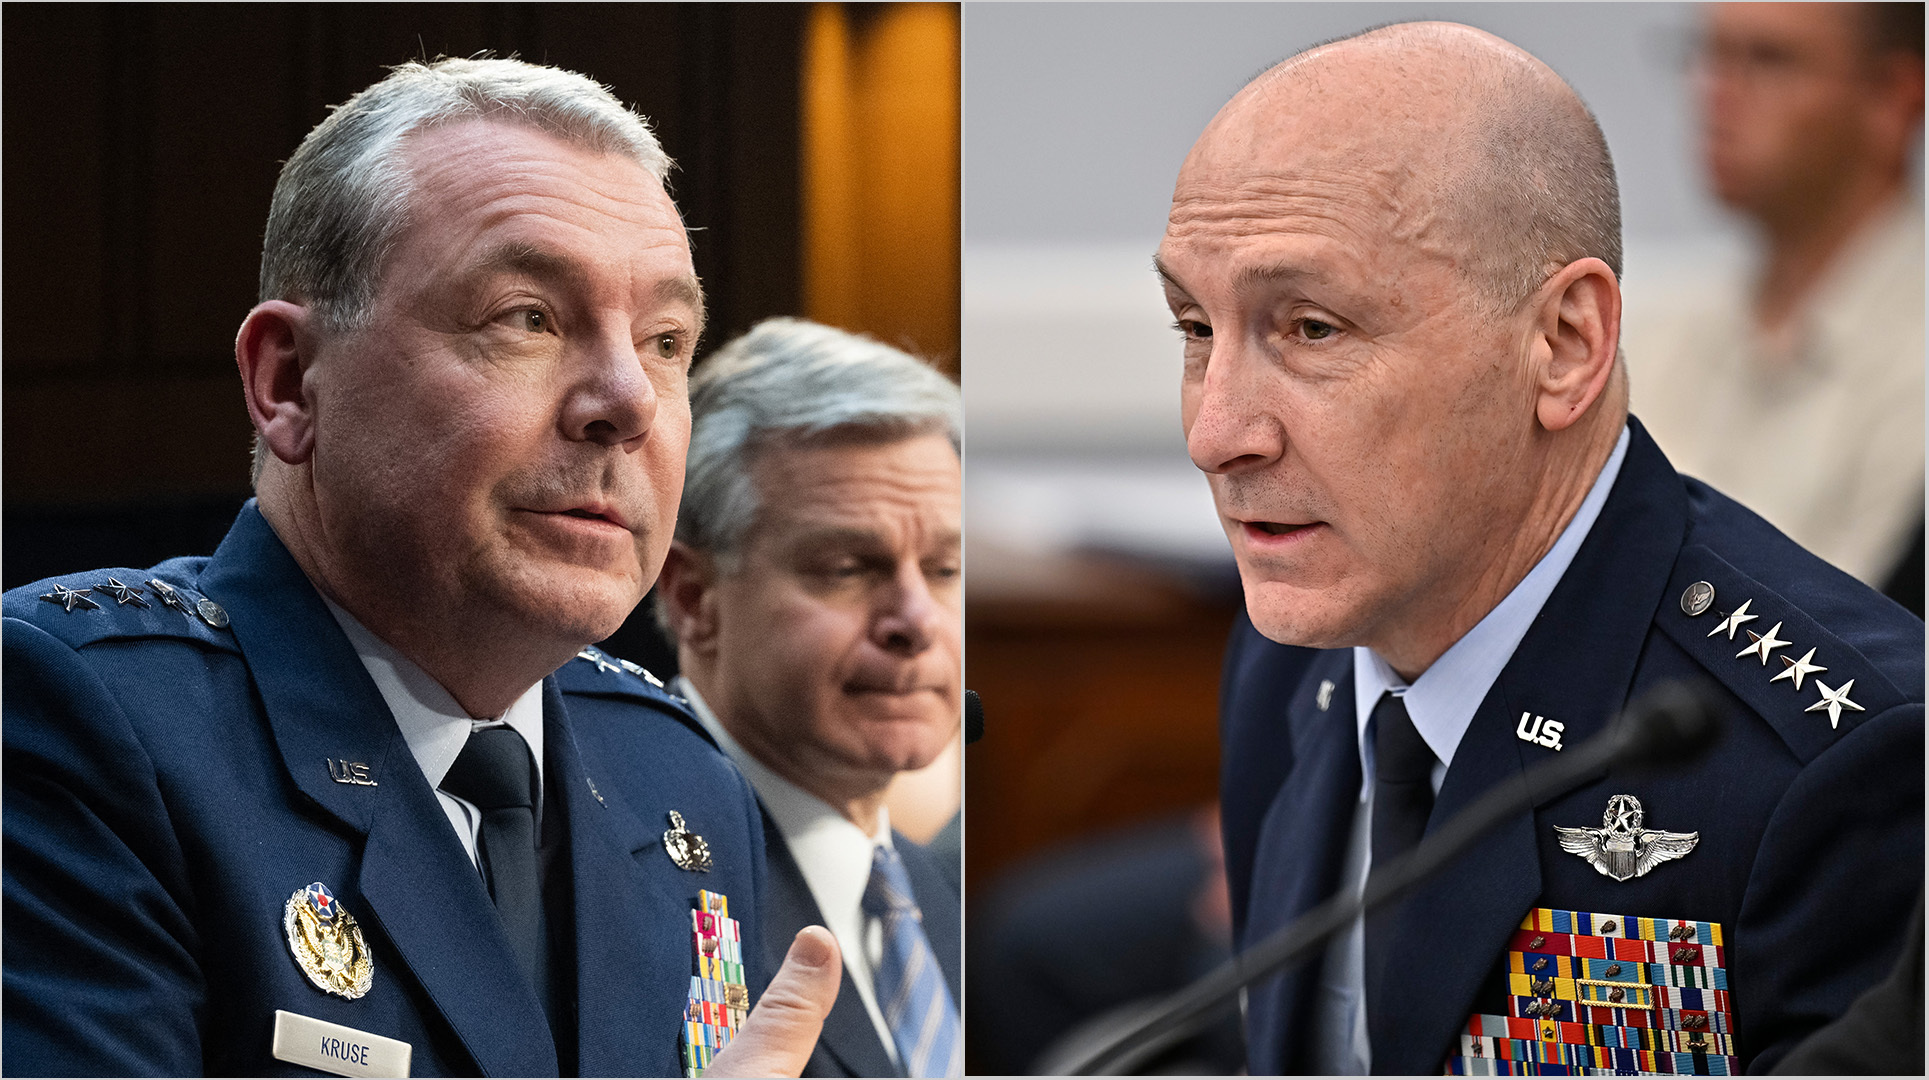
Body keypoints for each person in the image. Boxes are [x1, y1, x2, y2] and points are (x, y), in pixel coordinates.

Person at [3, 58, 838, 1077]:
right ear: (289, 383)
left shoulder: (679, 779)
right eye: (526, 318)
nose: (629, 400)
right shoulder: (72, 716)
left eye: (667, 339)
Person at [1158, 22, 1924, 1075]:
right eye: (1196, 329)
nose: (1216, 433)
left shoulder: (1838, 761)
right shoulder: (1292, 657)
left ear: (1564, 344)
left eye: (1312, 329)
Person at [655, 318, 963, 1078]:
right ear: (695, 598)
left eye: (946, 569)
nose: (917, 621)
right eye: (847, 567)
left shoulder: (938, 892)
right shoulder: (609, 878)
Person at [1625, 3, 1925, 606]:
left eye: (1768, 60)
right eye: (1709, 54)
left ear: (1893, 98)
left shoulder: (1914, 363)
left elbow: (1858, 652)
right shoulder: (1639, 325)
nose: (1714, 92)